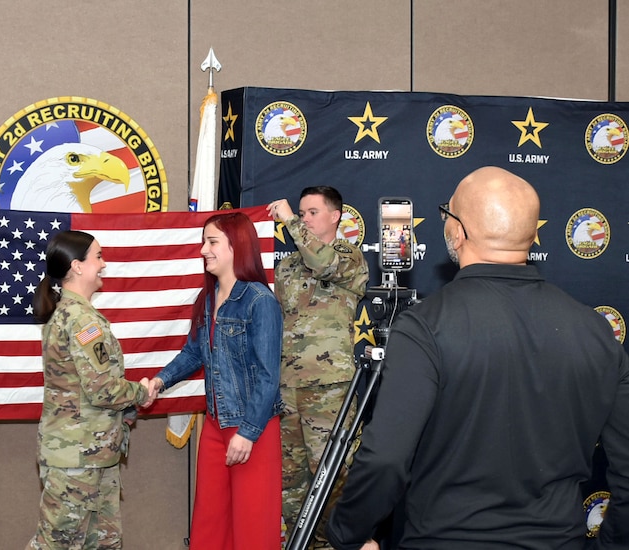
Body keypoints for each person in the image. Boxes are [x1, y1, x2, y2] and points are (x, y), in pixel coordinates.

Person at [326, 166, 629, 550]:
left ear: (458, 230)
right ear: (533, 234)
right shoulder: (595, 330)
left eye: (446, 216)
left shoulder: (424, 327)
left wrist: (345, 535)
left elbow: (385, 459)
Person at [147, 211, 284, 550]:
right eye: (203, 242)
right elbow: (194, 353)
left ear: (237, 245)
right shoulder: (208, 300)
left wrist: (248, 432)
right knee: (209, 523)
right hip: (214, 425)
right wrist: (160, 381)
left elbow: (269, 376)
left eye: (212, 242)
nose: (203, 250)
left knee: (253, 528)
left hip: (253, 429)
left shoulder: (260, 301)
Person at [26, 230, 154, 550]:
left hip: (93, 454)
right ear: (78, 266)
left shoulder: (70, 313)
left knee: (103, 541)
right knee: (56, 542)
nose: (104, 264)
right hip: (77, 457)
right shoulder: (82, 319)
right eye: (98, 257)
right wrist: (140, 393)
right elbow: (102, 389)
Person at [267, 186, 369, 547]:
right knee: (292, 483)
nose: (305, 218)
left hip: (329, 387)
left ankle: (340, 543)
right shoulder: (287, 266)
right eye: (302, 213)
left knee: (335, 475)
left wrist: (290, 223)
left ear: (335, 215)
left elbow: (323, 263)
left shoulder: (349, 256)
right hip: (289, 386)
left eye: (312, 212)